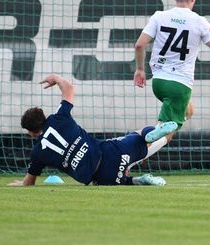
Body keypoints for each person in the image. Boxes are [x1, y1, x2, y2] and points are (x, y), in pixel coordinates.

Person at [9, 74, 170, 187]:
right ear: (43, 117)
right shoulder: (58, 118)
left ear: (30, 132)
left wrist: (21, 183)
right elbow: (69, 88)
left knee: (116, 180)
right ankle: (151, 134)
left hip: (101, 177)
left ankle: (137, 180)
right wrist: (56, 78)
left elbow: (29, 182)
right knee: (143, 135)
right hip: (111, 153)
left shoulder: (37, 153)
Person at [133, 0, 210, 143]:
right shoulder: (199, 22)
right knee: (168, 131)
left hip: (158, 83)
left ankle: (158, 130)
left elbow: (139, 45)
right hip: (180, 85)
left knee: (188, 110)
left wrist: (140, 69)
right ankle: (135, 151)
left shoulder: (159, 16)